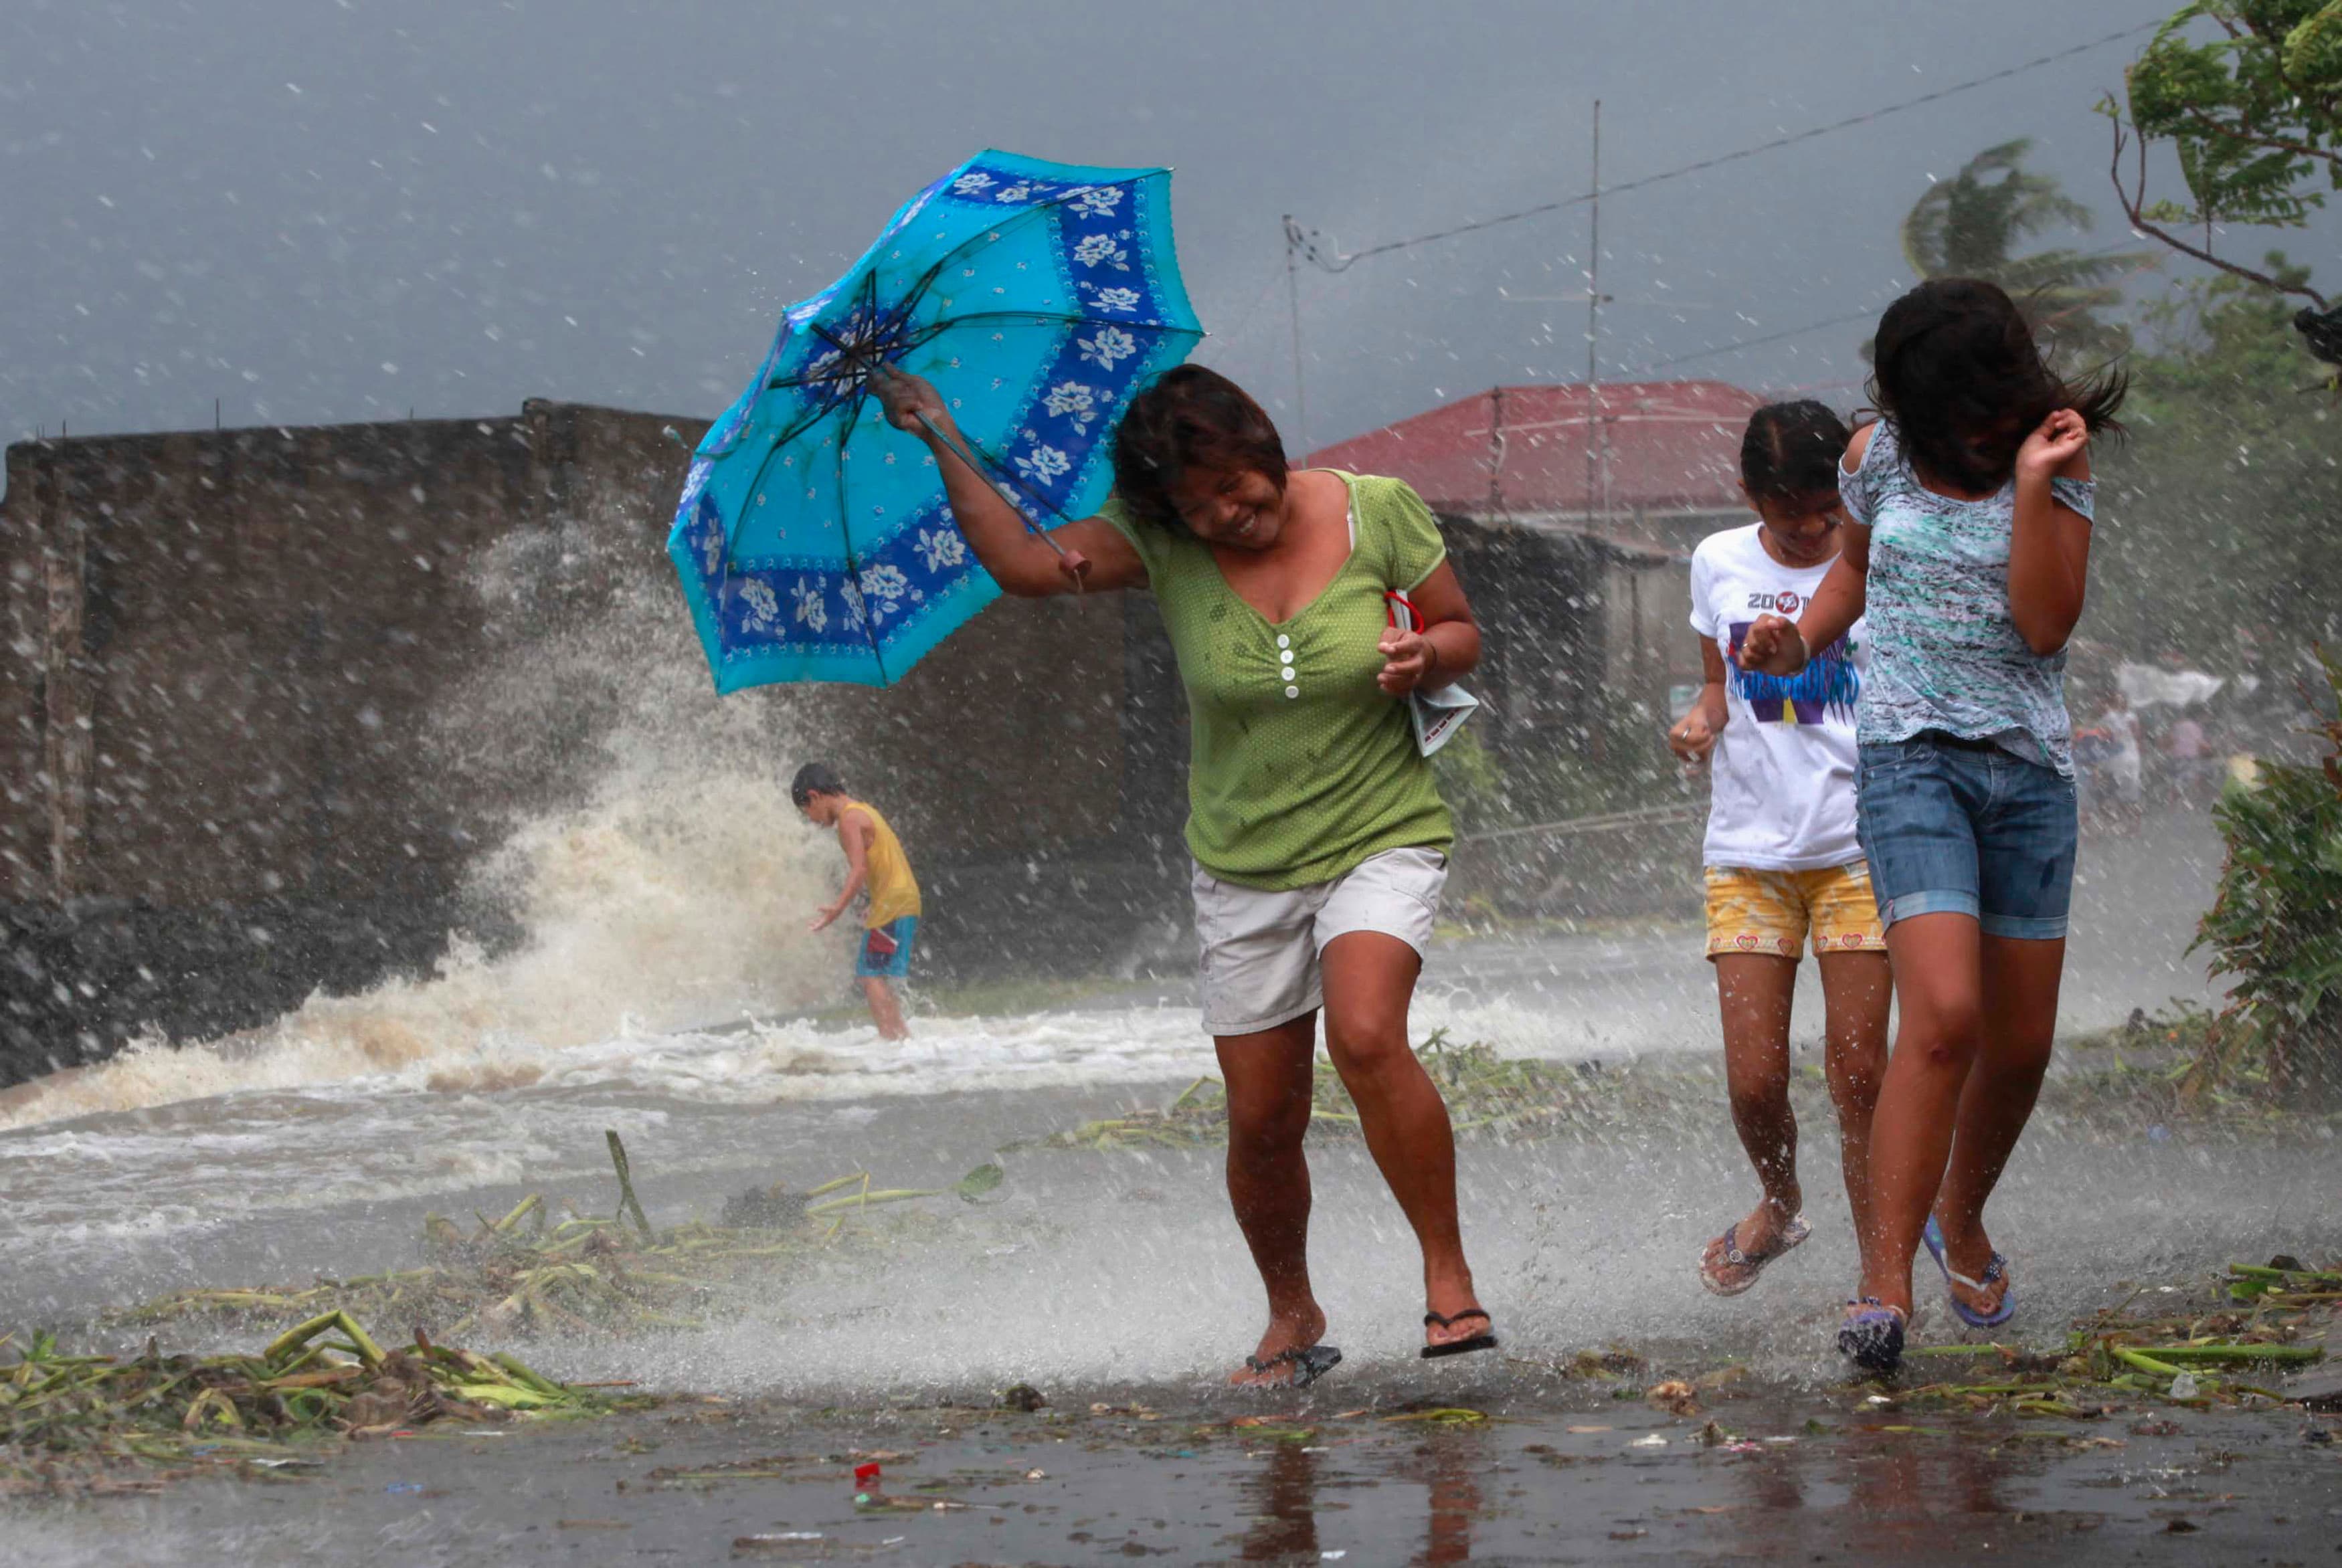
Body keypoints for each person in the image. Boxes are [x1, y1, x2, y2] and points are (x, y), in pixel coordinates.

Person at [870, 360, 1495, 1387]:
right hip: (1242, 862)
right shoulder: (1162, 543)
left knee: (1369, 1034)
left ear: (1263, 445)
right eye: (1195, 506)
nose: (1226, 515)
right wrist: (940, 432)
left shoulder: (1376, 510)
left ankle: (1448, 1281)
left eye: (1234, 487)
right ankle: (1292, 1313)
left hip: (1379, 828)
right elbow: (1030, 566)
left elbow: (1462, 629)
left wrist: (1423, 657)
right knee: (1261, 1117)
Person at [1740, 277, 2125, 1373]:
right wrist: (1798, 642)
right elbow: (1853, 577)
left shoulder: (2055, 452)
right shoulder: (1875, 459)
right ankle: (1885, 1286)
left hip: (2030, 771)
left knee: (2022, 1042)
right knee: (1945, 1011)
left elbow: (2045, 625)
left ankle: (1964, 1212)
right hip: (1911, 761)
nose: (1974, 427)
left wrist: (2044, 483)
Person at [1668, 402, 1890, 1301]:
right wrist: (1698, 719)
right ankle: (1781, 1198)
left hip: (1858, 846)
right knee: (1754, 1079)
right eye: (1786, 513)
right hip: (1750, 856)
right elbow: (1719, 685)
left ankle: (1882, 1273)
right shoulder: (1719, 561)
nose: (1806, 532)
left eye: (1823, 514)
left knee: (1860, 1073)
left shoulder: (1873, 555)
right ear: (1748, 496)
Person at [793, 762, 920, 1042]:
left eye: (808, 812)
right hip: (899, 900)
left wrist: (837, 909)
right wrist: (876, 900)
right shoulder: (865, 810)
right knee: (875, 974)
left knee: (870, 973)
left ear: (815, 796)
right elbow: (885, 863)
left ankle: (891, 1038)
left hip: (893, 904)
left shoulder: (849, 820)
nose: (813, 820)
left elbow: (859, 869)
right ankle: (900, 1037)